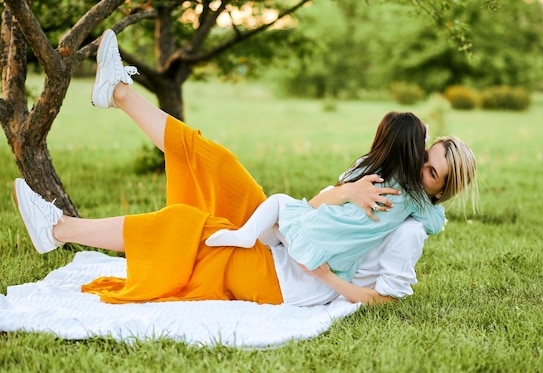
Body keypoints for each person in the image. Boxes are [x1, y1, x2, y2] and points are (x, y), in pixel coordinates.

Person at [12, 29, 478, 307]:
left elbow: (388, 298)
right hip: (285, 232)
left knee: (184, 226)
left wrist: (326, 279)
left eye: (432, 173)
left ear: (440, 192)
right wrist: (345, 193)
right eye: (426, 157)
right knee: (216, 159)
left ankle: (58, 230)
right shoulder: (385, 174)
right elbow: (315, 209)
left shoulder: (412, 226)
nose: (420, 168)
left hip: (283, 278)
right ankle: (117, 92)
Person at [206, 111, 446, 282]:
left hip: (316, 235)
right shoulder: (415, 198)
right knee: (285, 225)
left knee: (280, 202)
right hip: (338, 262)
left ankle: (246, 236)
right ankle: (260, 242)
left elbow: (343, 180)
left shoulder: (367, 168)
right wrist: (435, 205)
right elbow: (435, 224)